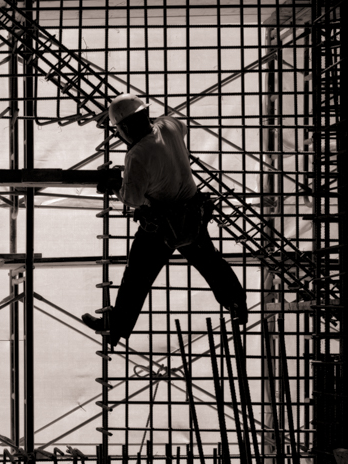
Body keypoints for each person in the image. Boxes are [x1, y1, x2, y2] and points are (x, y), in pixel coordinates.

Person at [82, 94, 247, 349]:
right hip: (193, 215)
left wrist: (115, 184)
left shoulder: (137, 154)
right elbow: (181, 130)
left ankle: (115, 328)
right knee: (211, 263)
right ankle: (237, 303)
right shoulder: (169, 125)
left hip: (162, 226)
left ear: (124, 128)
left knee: (137, 278)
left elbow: (134, 199)